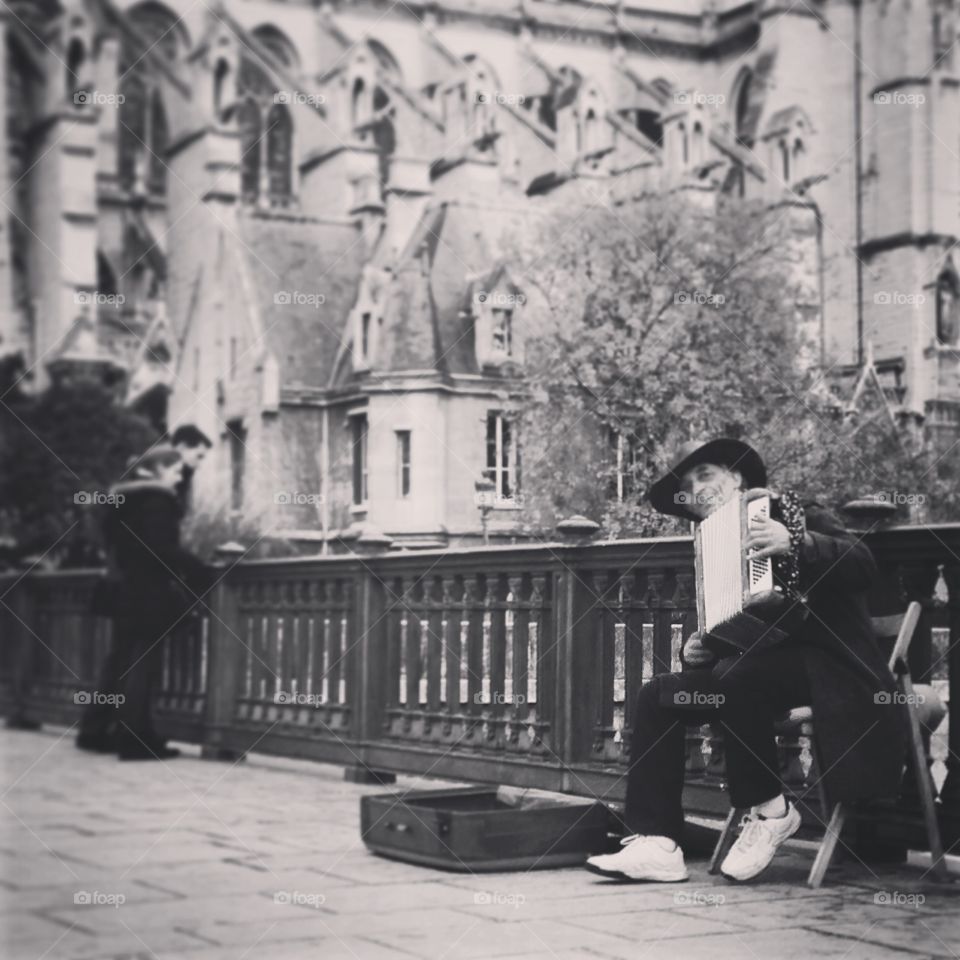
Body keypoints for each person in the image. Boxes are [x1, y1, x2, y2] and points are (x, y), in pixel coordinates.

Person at [585, 437, 906, 883]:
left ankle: (771, 812)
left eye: (706, 475)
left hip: (833, 670)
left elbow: (864, 564)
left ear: (737, 478)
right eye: (689, 484)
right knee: (658, 694)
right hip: (754, 678)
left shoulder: (790, 512)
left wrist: (798, 542)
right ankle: (657, 842)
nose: (697, 488)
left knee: (739, 677)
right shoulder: (710, 547)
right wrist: (698, 650)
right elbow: (733, 633)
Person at [77, 444, 212, 760]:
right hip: (147, 592)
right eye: (176, 471)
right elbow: (160, 547)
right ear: (157, 471)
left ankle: (94, 730)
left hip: (122, 590)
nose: (180, 478)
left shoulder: (123, 500)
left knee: (120, 662)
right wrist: (200, 570)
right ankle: (135, 739)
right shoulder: (156, 501)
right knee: (142, 666)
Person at [170, 424, 212, 517]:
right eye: (199, 457)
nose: (198, 465)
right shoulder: (162, 480)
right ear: (182, 447)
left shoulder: (184, 475)